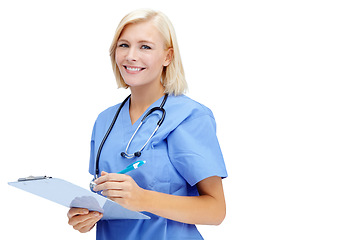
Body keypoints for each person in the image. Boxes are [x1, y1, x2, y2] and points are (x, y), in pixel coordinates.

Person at [67, 8, 227, 240]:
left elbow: (216, 211)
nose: (131, 55)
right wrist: (85, 216)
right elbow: (105, 197)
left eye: (145, 46)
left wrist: (143, 199)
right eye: (124, 45)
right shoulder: (105, 120)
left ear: (167, 56)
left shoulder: (190, 116)